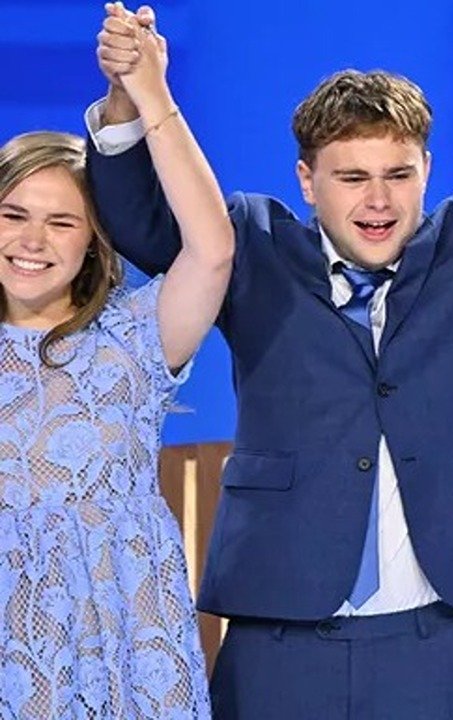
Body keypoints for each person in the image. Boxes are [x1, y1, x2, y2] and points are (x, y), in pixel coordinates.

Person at [86, 3, 453, 718]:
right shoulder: (251, 248)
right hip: (278, 645)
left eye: (398, 173)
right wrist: (126, 96)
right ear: (307, 181)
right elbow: (140, 218)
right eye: (352, 177)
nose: (378, 200)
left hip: (433, 645)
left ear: (427, 168)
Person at [0, 5, 233, 718]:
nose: (33, 239)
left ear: (93, 245)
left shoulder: (131, 339)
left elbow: (212, 248)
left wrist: (146, 97)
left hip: (127, 657)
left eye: (61, 221)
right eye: (13, 214)